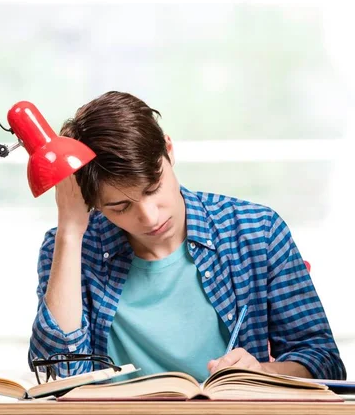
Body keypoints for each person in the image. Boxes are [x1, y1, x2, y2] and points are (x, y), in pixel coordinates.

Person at [28, 91, 346, 382]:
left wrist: (261, 371)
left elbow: (323, 359)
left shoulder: (257, 231)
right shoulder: (72, 250)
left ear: (168, 151)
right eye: (120, 206)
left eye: (154, 188)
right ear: (92, 202)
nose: (149, 216)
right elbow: (59, 377)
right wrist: (70, 227)